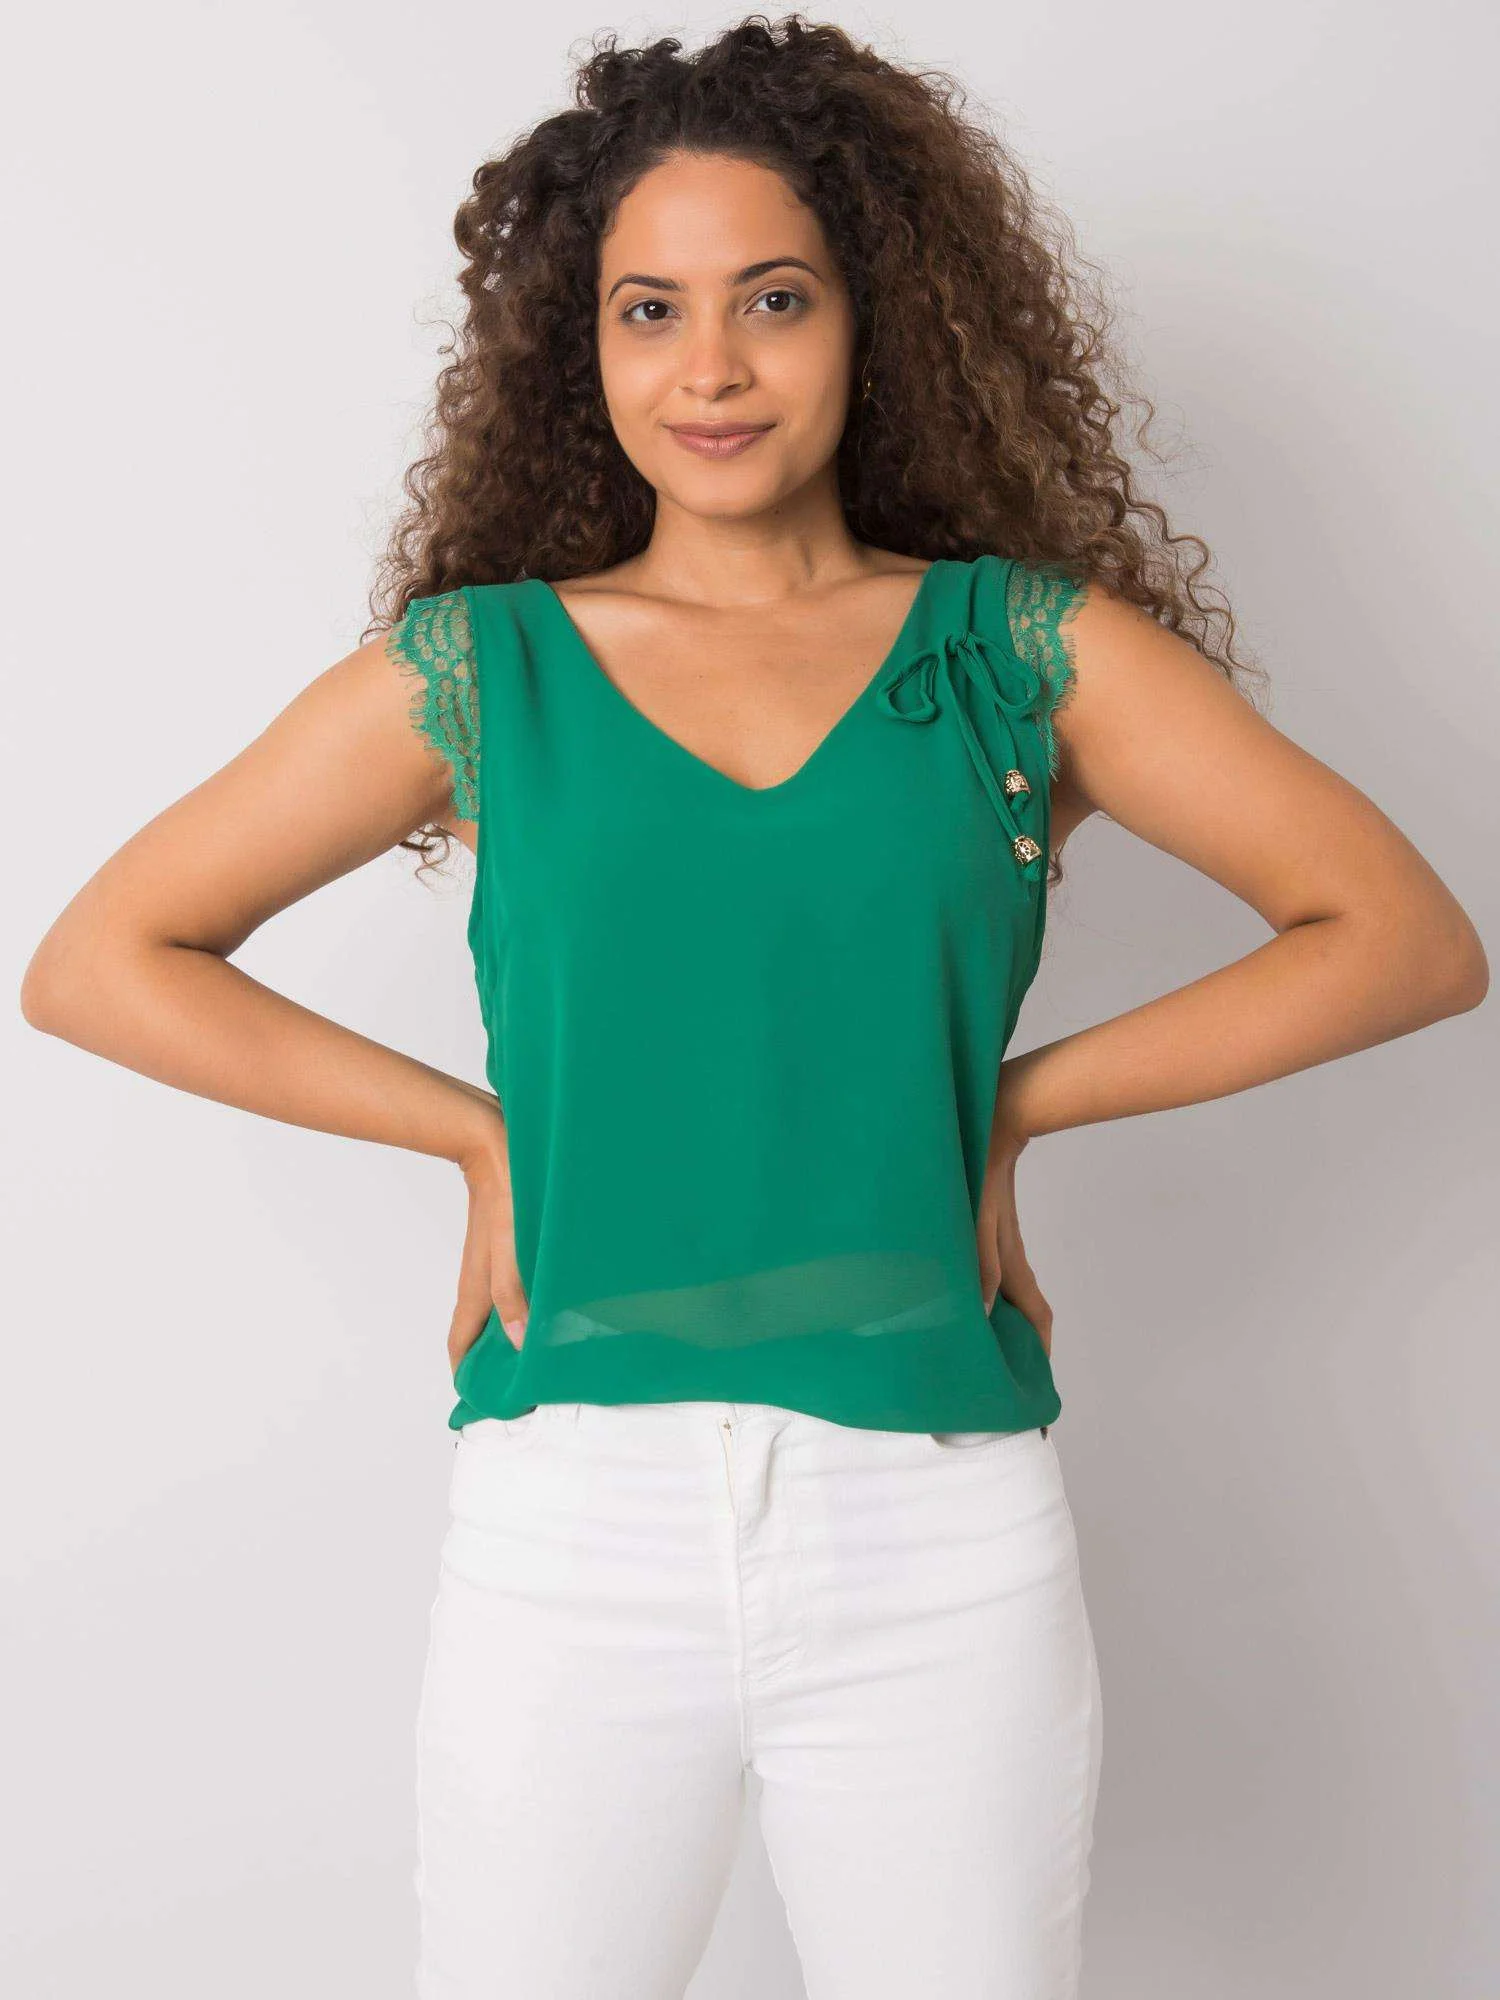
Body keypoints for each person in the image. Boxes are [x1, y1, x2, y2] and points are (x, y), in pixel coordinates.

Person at [19, 16, 1488, 2000]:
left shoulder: (1018, 653)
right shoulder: (481, 671)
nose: (708, 368)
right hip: (572, 1525)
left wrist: (1010, 1103)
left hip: (936, 1529)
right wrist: (475, 1135)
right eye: (651, 309)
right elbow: (102, 960)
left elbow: (1399, 935)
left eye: (773, 299)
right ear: (587, 346)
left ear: (878, 318)